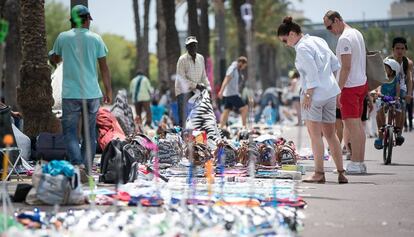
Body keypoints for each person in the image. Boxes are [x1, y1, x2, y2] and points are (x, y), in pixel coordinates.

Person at [277, 16, 347, 184]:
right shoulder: (318, 40)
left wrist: (308, 95)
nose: (286, 44)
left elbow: (312, 74)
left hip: (314, 95)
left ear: (292, 34)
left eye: (285, 40)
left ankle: (319, 173)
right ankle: (341, 172)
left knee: (315, 136)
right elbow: (336, 64)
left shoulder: (301, 48)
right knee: (331, 135)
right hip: (330, 91)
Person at [49, 5, 112, 181]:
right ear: (87, 20)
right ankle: (86, 168)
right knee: (90, 133)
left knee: (70, 133)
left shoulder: (63, 38)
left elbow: (55, 57)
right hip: (92, 94)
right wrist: (108, 91)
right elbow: (104, 68)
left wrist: (52, 56)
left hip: (71, 94)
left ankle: (78, 165)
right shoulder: (96, 39)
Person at [324, 10, 368, 174]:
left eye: (329, 27)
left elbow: (346, 67)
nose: (330, 31)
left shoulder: (344, 39)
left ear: (336, 20)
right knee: (357, 126)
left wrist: (338, 90)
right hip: (361, 84)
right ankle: (360, 162)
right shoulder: (356, 33)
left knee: (352, 126)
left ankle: (356, 163)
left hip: (350, 87)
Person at [176, 36, 211, 128]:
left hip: (196, 90)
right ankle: (183, 135)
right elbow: (181, 79)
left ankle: (197, 135)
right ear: (187, 47)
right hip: (183, 91)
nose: (192, 47)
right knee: (183, 116)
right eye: (190, 46)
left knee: (199, 114)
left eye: (194, 45)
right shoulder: (182, 59)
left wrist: (208, 88)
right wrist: (196, 85)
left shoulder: (200, 58)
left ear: (197, 46)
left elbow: (204, 76)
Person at [387, 37, 413, 134]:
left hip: (402, 90)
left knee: (401, 109)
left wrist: (409, 94)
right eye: (397, 48)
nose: (400, 51)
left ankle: (399, 132)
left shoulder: (408, 63)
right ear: (393, 49)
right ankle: (382, 135)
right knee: (380, 108)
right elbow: (381, 78)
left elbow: (409, 79)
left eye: (402, 49)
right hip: (388, 88)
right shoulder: (387, 61)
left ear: (405, 50)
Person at [374, 58, 401, 149]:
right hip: (383, 98)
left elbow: (397, 89)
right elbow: (379, 88)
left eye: (387, 68)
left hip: (393, 98)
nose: (384, 70)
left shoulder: (396, 78)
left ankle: (397, 130)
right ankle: (381, 133)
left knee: (399, 109)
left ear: (393, 70)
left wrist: (397, 97)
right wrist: (378, 93)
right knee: (379, 109)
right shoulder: (382, 77)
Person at [218, 56, 248, 128]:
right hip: (232, 94)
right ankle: (244, 127)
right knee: (244, 108)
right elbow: (226, 79)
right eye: (244, 66)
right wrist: (221, 91)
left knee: (226, 111)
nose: (244, 68)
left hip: (230, 94)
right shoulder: (232, 68)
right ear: (241, 63)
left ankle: (220, 127)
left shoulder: (236, 70)